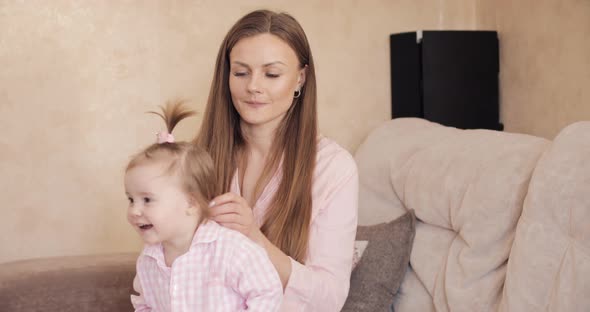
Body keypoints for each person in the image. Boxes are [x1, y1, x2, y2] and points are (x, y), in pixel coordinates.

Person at [195, 9, 359, 311]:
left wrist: (253, 238)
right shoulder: (200, 157)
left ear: (301, 78)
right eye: (241, 73)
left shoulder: (332, 168)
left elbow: (329, 299)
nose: (253, 86)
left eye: (271, 74)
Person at [125, 101, 282, 311]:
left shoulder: (231, 250)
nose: (134, 211)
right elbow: (145, 304)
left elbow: (267, 292)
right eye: (130, 199)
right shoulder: (148, 260)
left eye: (147, 200)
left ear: (190, 202)